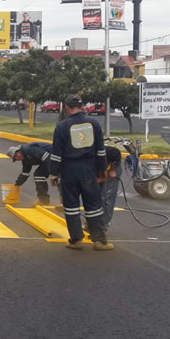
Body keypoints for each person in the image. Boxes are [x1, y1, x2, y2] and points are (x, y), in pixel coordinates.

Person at [49, 95, 112, 251]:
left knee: (71, 206)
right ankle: (99, 241)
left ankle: (76, 241)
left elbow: (56, 152)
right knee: (94, 205)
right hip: (89, 169)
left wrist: (54, 173)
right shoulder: (94, 124)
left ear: (67, 107)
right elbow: (101, 150)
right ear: (82, 106)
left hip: (69, 170)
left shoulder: (62, 126)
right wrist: (103, 169)